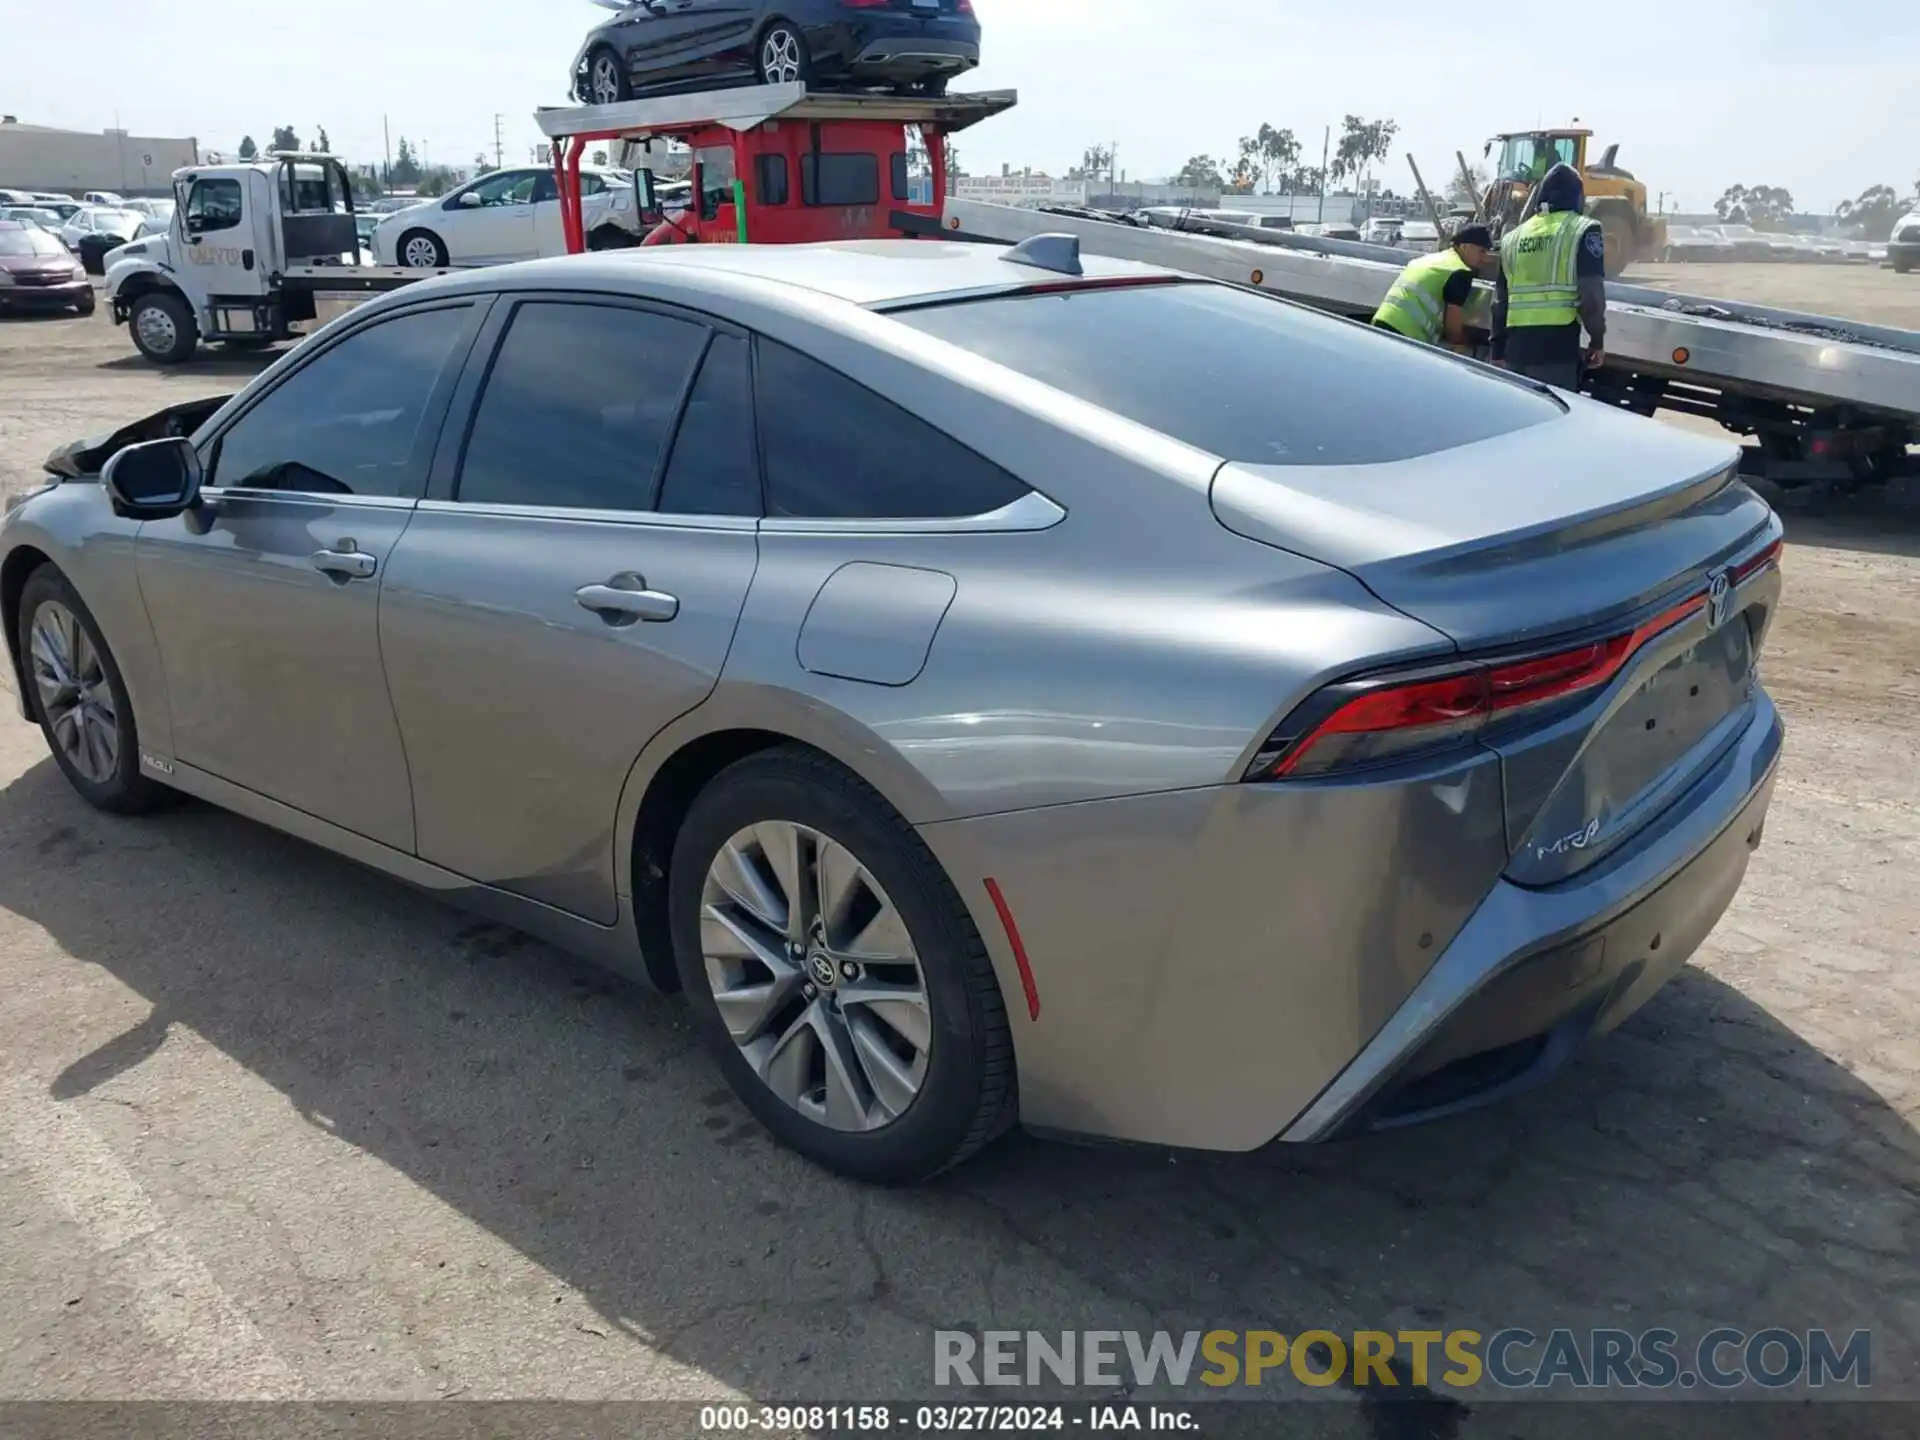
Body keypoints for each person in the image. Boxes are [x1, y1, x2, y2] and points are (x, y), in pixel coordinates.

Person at [1491, 163, 1607, 390]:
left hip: (1516, 349)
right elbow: (1591, 295)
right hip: (1556, 350)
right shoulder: (1583, 229)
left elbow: (1499, 302)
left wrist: (1497, 349)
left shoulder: (1512, 238)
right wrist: (1597, 340)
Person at [1372, 223, 1496, 352]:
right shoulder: (1460, 272)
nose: (1485, 258)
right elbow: (1452, 326)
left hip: (1381, 322)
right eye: (1481, 251)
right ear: (1464, 246)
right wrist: (1460, 344)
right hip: (1406, 334)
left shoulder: (1431, 260)